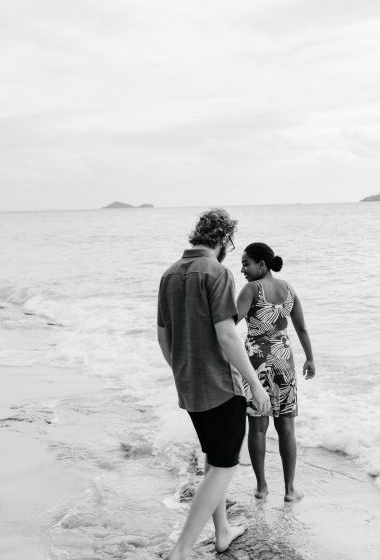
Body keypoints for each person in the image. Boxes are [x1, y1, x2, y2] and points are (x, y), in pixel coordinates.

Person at [156, 209, 271, 560]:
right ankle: (181, 550)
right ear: (224, 241)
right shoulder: (216, 272)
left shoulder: (170, 274)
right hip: (220, 385)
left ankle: (222, 532)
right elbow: (226, 335)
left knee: (213, 459)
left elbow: (163, 336)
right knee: (224, 466)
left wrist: (183, 369)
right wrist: (255, 385)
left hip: (188, 383)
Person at [236, 242, 315, 503]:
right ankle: (290, 491)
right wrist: (310, 359)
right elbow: (301, 328)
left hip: (258, 364)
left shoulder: (251, 289)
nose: (243, 269)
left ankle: (261, 488)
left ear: (262, 264)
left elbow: (230, 322)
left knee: (258, 428)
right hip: (285, 362)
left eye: (246, 263)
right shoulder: (288, 289)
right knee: (287, 428)